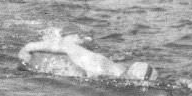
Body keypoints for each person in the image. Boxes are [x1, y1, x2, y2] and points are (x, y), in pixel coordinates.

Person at [18, 30, 157, 81]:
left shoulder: (119, 72)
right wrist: (29, 47)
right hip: (51, 57)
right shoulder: (99, 67)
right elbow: (67, 47)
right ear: (128, 76)